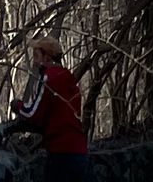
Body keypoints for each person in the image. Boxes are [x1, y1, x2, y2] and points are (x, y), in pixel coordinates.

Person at [6, 34, 93, 179]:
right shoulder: (68, 77)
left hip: (61, 153)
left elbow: (32, 114)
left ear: (47, 57)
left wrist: (16, 105)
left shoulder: (48, 79)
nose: (35, 60)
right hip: (79, 151)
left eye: (37, 55)